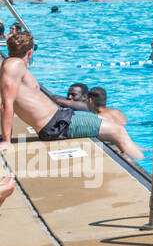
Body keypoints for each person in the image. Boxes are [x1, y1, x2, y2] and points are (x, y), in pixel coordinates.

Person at [1, 31, 144, 159]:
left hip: (61, 118)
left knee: (114, 126)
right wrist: (7, 141)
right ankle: (144, 172)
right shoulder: (14, 65)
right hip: (57, 125)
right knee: (118, 131)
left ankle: (138, 155)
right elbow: (6, 103)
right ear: (30, 51)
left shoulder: (14, 66)